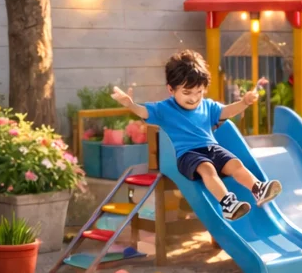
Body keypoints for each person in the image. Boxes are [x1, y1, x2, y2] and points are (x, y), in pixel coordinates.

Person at [112, 50, 281, 222]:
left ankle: (257, 189)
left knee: (235, 164)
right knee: (208, 169)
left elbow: (227, 111)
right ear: (171, 89)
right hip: (188, 154)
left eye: (199, 92)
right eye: (187, 93)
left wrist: (244, 102)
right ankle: (228, 204)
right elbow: (145, 112)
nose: (193, 98)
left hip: (211, 148)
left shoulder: (207, 106)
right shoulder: (165, 108)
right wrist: (130, 105)